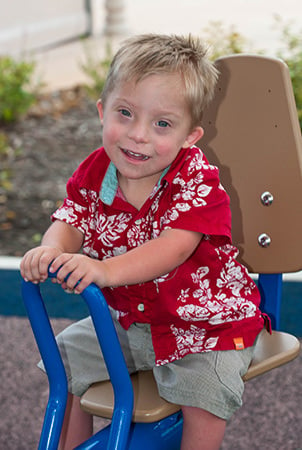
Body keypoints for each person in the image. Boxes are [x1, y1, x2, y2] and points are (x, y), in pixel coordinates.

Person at [20, 34, 267, 450]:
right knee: (63, 365)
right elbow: (72, 218)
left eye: (162, 124)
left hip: (204, 326)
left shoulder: (196, 180)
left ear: (191, 136)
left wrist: (104, 270)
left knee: (205, 394)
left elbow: (175, 246)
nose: (137, 135)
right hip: (130, 320)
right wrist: (53, 249)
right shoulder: (99, 171)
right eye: (125, 113)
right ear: (102, 111)